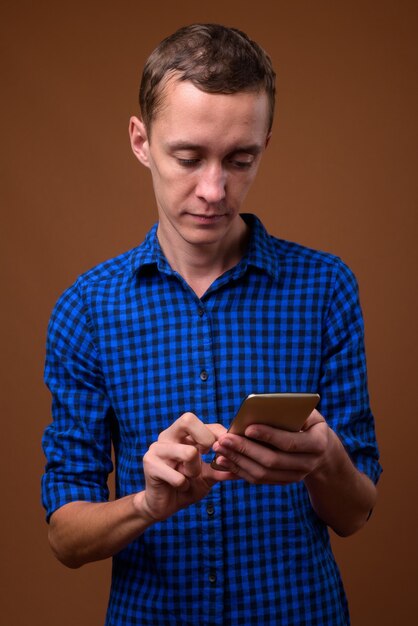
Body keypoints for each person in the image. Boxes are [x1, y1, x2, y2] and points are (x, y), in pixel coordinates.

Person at [41, 23, 381, 626]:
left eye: (240, 158)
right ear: (141, 141)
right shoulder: (85, 309)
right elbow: (66, 538)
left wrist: (324, 454)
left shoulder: (327, 288)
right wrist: (147, 504)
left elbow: (355, 515)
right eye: (189, 157)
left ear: (265, 144)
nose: (214, 190)